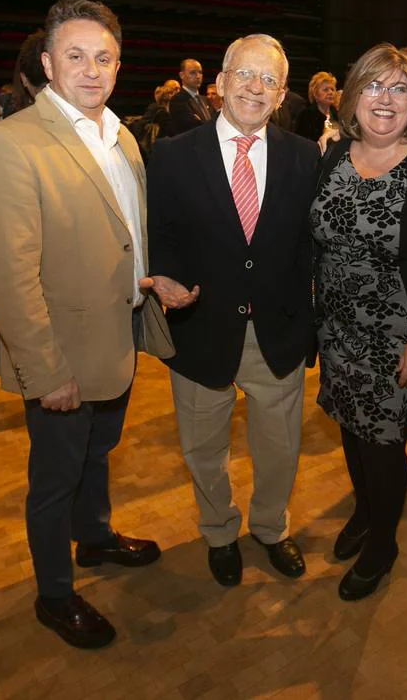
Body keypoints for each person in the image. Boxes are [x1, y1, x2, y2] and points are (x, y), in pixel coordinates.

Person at [0, 0, 171, 651]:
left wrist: (146, 278)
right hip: (61, 353)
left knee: (98, 453)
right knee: (55, 478)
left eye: (104, 57)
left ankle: (98, 539)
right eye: (76, 56)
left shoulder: (123, 135)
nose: (91, 70)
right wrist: (45, 369)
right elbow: (7, 274)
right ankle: (54, 594)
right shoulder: (9, 144)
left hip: (116, 334)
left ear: (120, 65)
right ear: (49, 63)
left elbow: (117, 236)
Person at [146, 33, 320, 589]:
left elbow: (306, 247)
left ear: (282, 94)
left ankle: (270, 527)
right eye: (244, 75)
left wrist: (308, 321)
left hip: (278, 331)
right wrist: (166, 279)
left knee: (279, 447)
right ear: (220, 83)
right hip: (200, 330)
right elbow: (161, 234)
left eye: (268, 80)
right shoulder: (173, 155)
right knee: (202, 448)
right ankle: (219, 531)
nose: (255, 87)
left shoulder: (302, 155)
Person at [312, 43, 407, 601]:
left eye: (399, 88)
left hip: (397, 333)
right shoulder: (333, 156)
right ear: (353, 98)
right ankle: (362, 511)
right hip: (336, 329)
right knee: (351, 431)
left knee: (382, 443)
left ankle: (383, 542)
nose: (386, 98)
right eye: (375, 86)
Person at [163, 58, 210, 136]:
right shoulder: (177, 100)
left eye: (200, 72)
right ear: (182, 75)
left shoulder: (205, 99)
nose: (198, 76)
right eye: (193, 73)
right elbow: (192, 127)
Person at [294, 71, 337, 143]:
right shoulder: (306, 116)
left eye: (332, 89)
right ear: (315, 94)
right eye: (325, 90)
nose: (330, 92)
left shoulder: (339, 115)